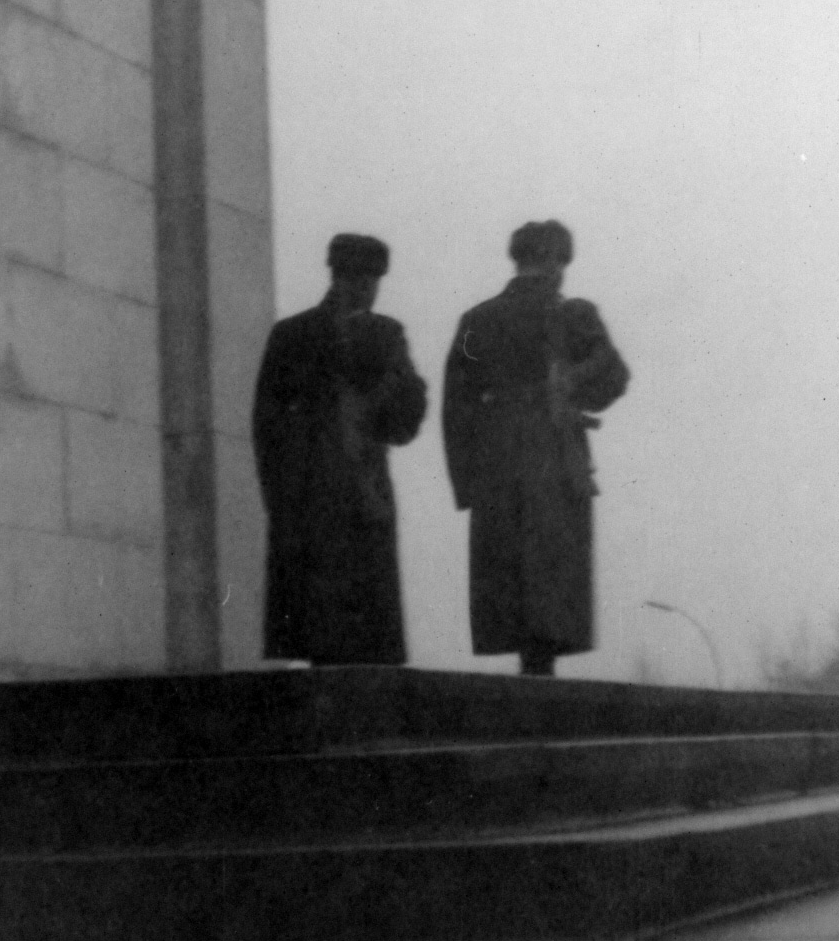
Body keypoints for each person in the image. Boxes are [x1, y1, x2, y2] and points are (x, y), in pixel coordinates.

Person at [442, 220, 629, 677]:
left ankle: (532, 669)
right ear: (550, 259)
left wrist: (467, 485)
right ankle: (539, 671)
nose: (562, 271)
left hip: (497, 462)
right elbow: (616, 377)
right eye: (561, 260)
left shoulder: (477, 319)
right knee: (551, 577)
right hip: (555, 455)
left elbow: (455, 406)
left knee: (510, 577)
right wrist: (576, 383)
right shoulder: (574, 315)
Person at [253, 233, 428, 665]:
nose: (368, 288)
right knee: (320, 624)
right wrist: (281, 499)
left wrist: (397, 396)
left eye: (373, 279)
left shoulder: (387, 335)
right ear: (337, 276)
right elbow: (267, 424)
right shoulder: (293, 335)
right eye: (359, 278)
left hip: (363, 488)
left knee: (367, 626)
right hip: (312, 492)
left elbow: (407, 418)